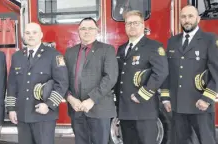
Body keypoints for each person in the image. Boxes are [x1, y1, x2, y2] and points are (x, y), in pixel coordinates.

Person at [161, 5, 218, 144]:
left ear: (198, 19)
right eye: (183, 17)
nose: (187, 20)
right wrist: (165, 98)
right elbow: (167, 72)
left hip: (200, 104)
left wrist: (207, 98)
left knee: (206, 141)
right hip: (178, 105)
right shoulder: (172, 41)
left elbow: (216, 71)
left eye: (191, 16)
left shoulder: (209, 39)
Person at [6, 22, 68, 144]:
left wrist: (49, 105)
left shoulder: (53, 55)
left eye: (34, 33)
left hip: (44, 115)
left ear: (41, 35)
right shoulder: (17, 56)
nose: (31, 36)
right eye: (27, 33)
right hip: (23, 115)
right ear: (23, 36)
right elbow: (12, 84)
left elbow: (62, 83)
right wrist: (11, 109)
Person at [114, 10, 169, 144]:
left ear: (143, 25)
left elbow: (161, 73)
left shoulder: (153, 47)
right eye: (128, 23)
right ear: (125, 26)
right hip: (125, 110)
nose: (132, 26)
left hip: (144, 108)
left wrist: (142, 95)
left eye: (136, 23)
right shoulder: (122, 49)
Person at [64, 17, 118, 144]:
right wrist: (70, 98)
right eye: (83, 28)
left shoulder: (107, 50)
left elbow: (110, 77)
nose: (86, 31)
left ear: (97, 31)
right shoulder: (70, 52)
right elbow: (62, 78)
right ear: (78, 31)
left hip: (98, 109)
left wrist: (92, 99)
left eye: (90, 28)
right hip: (76, 110)